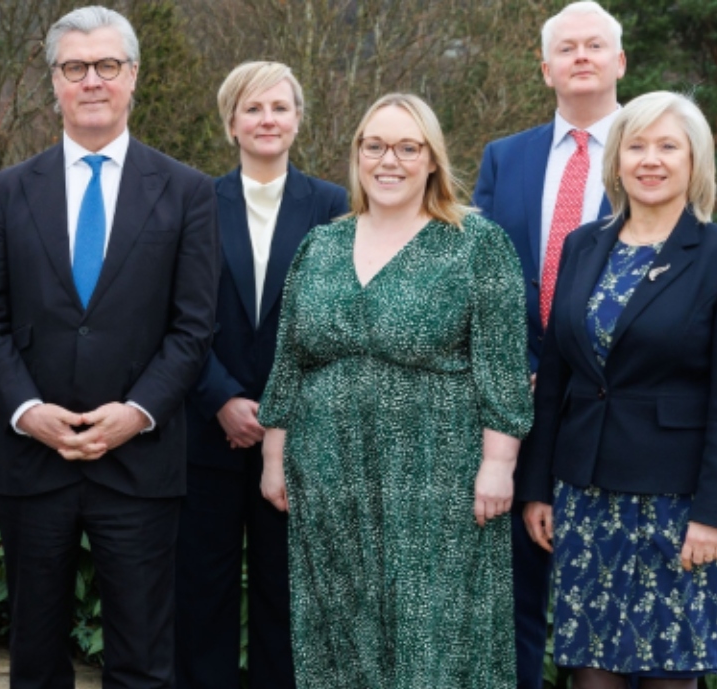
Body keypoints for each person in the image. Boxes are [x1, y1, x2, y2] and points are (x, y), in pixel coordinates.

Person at [0, 6, 218, 688]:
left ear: (133, 76)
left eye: (107, 65)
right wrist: (25, 410)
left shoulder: (189, 192)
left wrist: (136, 411)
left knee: (142, 657)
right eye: (75, 68)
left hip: (140, 460)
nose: (92, 81)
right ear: (54, 81)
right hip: (34, 461)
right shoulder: (5, 191)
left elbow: (194, 328)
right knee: (35, 657)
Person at [257, 93, 531, 688]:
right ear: (356, 155)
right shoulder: (320, 245)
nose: (390, 160)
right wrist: (274, 456)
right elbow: (291, 358)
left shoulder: (476, 244)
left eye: (409, 147)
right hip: (328, 477)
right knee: (340, 630)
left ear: (432, 159)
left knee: (431, 634)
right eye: (375, 145)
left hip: (437, 479)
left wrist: (498, 464)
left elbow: (502, 365)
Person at [515, 91, 717, 689]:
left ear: (694, 161)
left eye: (667, 146)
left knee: (668, 674)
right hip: (585, 501)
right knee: (590, 676)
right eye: (636, 145)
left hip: (678, 511)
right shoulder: (583, 245)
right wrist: (538, 488)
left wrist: (716, 515)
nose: (649, 159)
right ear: (618, 159)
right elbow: (556, 374)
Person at [176, 60, 346, 689]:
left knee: (288, 598)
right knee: (201, 597)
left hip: (300, 440)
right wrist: (220, 397)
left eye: (279, 107)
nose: (267, 119)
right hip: (206, 430)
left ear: (299, 119)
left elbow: (337, 322)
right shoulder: (193, 201)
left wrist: (278, 409)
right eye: (252, 108)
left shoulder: (335, 206)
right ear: (230, 123)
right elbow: (176, 313)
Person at [471, 4, 627, 684]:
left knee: (610, 608)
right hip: (515, 406)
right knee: (513, 601)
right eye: (567, 48)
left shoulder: (656, 151)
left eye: (597, 45)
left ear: (621, 62)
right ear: (546, 68)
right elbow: (474, 275)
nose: (582, 56)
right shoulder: (505, 158)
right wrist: (516, 369)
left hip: (614, 409)